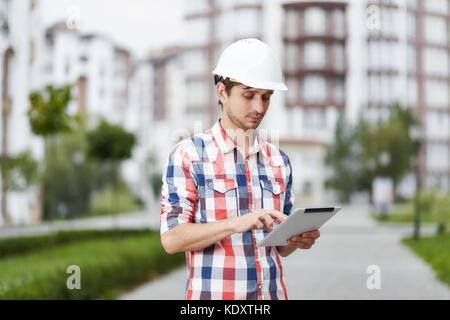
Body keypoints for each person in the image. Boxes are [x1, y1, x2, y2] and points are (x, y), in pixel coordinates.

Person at [160, 38, 320, 300]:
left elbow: (280, 248)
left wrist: (297, 240)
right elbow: (172, 238)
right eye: (249, 95)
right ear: (222, 92)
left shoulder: (279, 161)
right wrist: (237, 223)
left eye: (266, 97)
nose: (259, 107)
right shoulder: (188, 155)